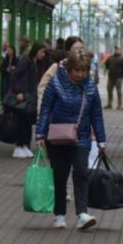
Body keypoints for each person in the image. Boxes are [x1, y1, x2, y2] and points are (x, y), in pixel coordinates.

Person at [36, 50, 107, 231]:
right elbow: (45, 109)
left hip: (82, 136)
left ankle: (82, 213)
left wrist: (101, 140)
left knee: (81, 172)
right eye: (77, 70)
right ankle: (59, 214)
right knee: (60, 175)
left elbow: (96, 114)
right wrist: (40, 134)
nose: (80, 74)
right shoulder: (56, 83)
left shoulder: (90, 87)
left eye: (84, 71)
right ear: (69, 69)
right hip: (58, 137)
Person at [8, 41, 50, 158]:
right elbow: (15, 76)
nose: (43, 55)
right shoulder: (26, 62)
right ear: (36, 51)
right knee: (21, 122)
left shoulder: (32, 62)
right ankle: (19, 146)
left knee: (26, 122)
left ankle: (25, 145)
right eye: (42, 52)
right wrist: (19, 92)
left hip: (29, 96)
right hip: (23, 96)